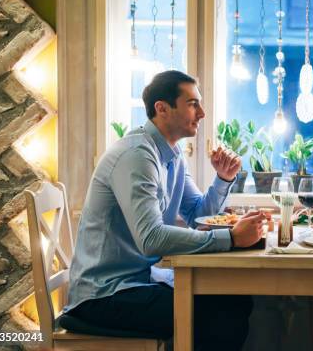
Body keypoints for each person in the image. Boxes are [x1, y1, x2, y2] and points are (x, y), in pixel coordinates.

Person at [63, 70, 265, 350]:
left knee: (234, 299)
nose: (202, 113)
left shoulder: (171, 153)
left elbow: (197, 213)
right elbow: (151, 240)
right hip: (104, 295)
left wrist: (223, 179)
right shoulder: (137, 156)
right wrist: (231, 238)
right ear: (162, 108)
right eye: (193, 103)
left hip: (138, 282)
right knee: (221, 312)